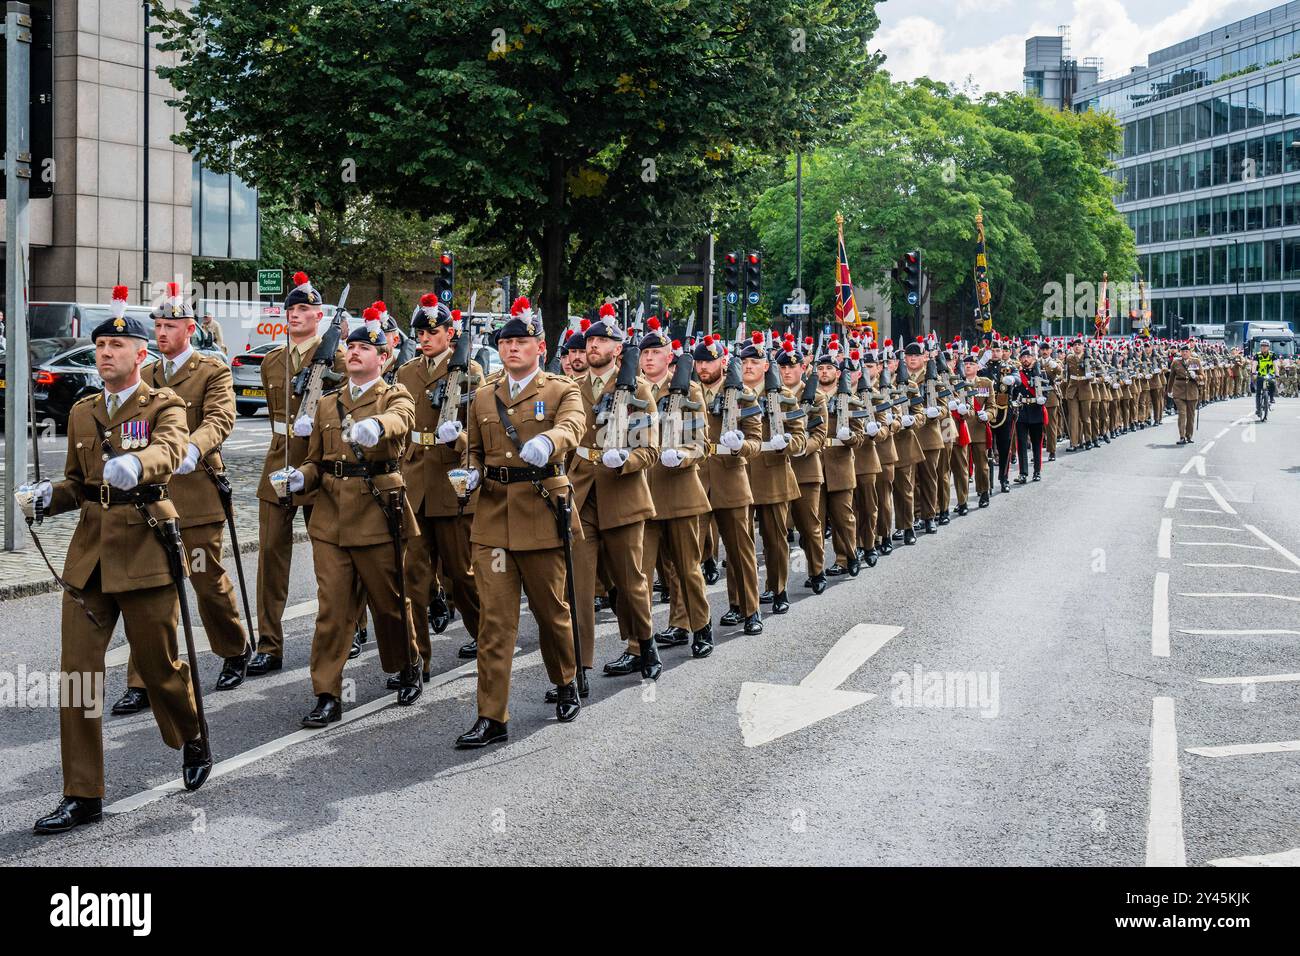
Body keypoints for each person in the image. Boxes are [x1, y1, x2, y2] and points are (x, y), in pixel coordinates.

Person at [17, 299, 211, 835]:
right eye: (100, 346)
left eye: (116, 346)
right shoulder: (84, 411)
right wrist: (46, 497)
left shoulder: (163, 404)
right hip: (90, 560)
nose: (105, 354)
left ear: (140, 353)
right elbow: (80, 485)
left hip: (146, 550)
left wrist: (138, 462)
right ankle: (83, 794)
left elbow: (171, 451)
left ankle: (190, 733)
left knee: (161, 670)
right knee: (77, 677)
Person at [279, 307, 424, 726]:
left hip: (378, 511)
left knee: (390, 601)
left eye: (366, 348)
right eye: (353, 347)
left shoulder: (395, 396)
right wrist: (297, 478)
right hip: (330, 517)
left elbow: (402, 420)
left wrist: (377, 427)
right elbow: (316, 462)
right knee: (333, 609)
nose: (356, 353)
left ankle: (406, 664)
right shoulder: (328, 404)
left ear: (385, 358)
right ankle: (327, 691)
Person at [113, 282, 251, 716]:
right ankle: (144, 679)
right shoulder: (147, 376)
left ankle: (233, 648)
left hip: (197, 493)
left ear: (189, 328)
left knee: (205, 577)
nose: (162, 333)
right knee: (152, 592)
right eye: (157, 325)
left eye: (170, 325)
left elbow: (221, 417)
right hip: (152, 499)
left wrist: (192, 447)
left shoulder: (212, 370)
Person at [456, 297, 586, 747]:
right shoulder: (483, 395)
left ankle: (566, 680)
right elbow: (471, 447)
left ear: (539, 345)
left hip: (540, 511)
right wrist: (469, 471)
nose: (512, 348)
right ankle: (492, 716)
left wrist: (549, 442)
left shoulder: (561, 389)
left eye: (521, 341)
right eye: (505, 342)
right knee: (495, 621)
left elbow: (573, 427)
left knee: (552, 611)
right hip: (492, 516)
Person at [249, 272, 346, 676]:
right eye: (291, 309)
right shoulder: (273, 359)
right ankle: (269, 644)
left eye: (304, 309)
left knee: (331, 556)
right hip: (277, 463)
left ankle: (348, 630)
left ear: (319, 315)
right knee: (271, 556)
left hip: (319, 465)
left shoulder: (338, 358)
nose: (295, 314)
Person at [569, 305, 660, 681]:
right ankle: (577, 667)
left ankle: (644, 643)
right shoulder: (569, 388)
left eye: (603, 339)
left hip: (621, 492)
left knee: (630, 580)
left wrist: (626, 457)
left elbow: (650, 449)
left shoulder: (636, 390)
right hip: (580, 495)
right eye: (590, 339)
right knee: (578, 585)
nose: (593, 345)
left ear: (618, 349)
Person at [397, 295, 484, 671]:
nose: (425, 337)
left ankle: (486, 635)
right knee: (413, 578)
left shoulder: (471, 370)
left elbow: (478, 429)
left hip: (452, 480)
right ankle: (416, 660)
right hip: (415, 479)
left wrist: (458, 440)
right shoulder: (406, 373)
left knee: (462, 576)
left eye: (433, 331)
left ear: (450, 333)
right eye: (420, 331)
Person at [640, 323, 715, 657]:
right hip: (642, 493)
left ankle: (699, 626)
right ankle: (638, 644)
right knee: (640, 574)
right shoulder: (632, 391)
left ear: (669, 357)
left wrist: (682, 455)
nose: (650, 358)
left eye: (657, 352)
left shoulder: (688, 391)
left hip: (680, 490)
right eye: (645, 352)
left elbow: (701, 443)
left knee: (687, 568)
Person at [696, 335, 764, 634]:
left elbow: (756, 440)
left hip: (731, 477)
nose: (702, 367)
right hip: (696, 479)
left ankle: (749, 609)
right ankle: (687, 620)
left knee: (740, 551)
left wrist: (740, 446)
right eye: (698, 361)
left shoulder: (742, 393)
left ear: (723, 362)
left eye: (708, 360)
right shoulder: (686, 392)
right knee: (688, 555)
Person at [740, 335, 806, 615]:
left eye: (755, 362)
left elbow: (800, 438)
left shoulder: (783, 397)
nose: (748, 367)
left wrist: (786, 444)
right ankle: (741, 600)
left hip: (773, 473)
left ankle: (777, 589)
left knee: (775, 539)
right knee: (740, 541)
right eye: (744, 362)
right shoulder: (733, 394)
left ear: (766, 366)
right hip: (740, 473)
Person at [1010, 347, 1047, 484]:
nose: (1025, 359)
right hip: (1022, 411)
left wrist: (1044, 399)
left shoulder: (1040, 374)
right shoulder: (1018, 375)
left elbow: (1046, 390)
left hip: (1036, 411)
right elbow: (1013, 393)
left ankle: (1037, 471)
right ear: (1020, 359)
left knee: (1037, 443)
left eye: (1028, 357)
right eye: (1023, 357)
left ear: (1033, 358)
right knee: (1021, 444)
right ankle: (1023, 473)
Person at [1168, 343, 1201, 445]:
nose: (1185, 353)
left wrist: (1195, 376)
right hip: (1179, 391)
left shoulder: (1196, 361)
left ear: (1190, 352)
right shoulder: (1175, 363)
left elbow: (1203, 376)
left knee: (1191, 416)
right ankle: (1182, 436)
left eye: (1186, 351)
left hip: (1192, 391)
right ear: (1180, 352)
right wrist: (1169, 391)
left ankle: (1189, 436)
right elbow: (1171, 377)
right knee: (1182, 414)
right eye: (1183, 351)